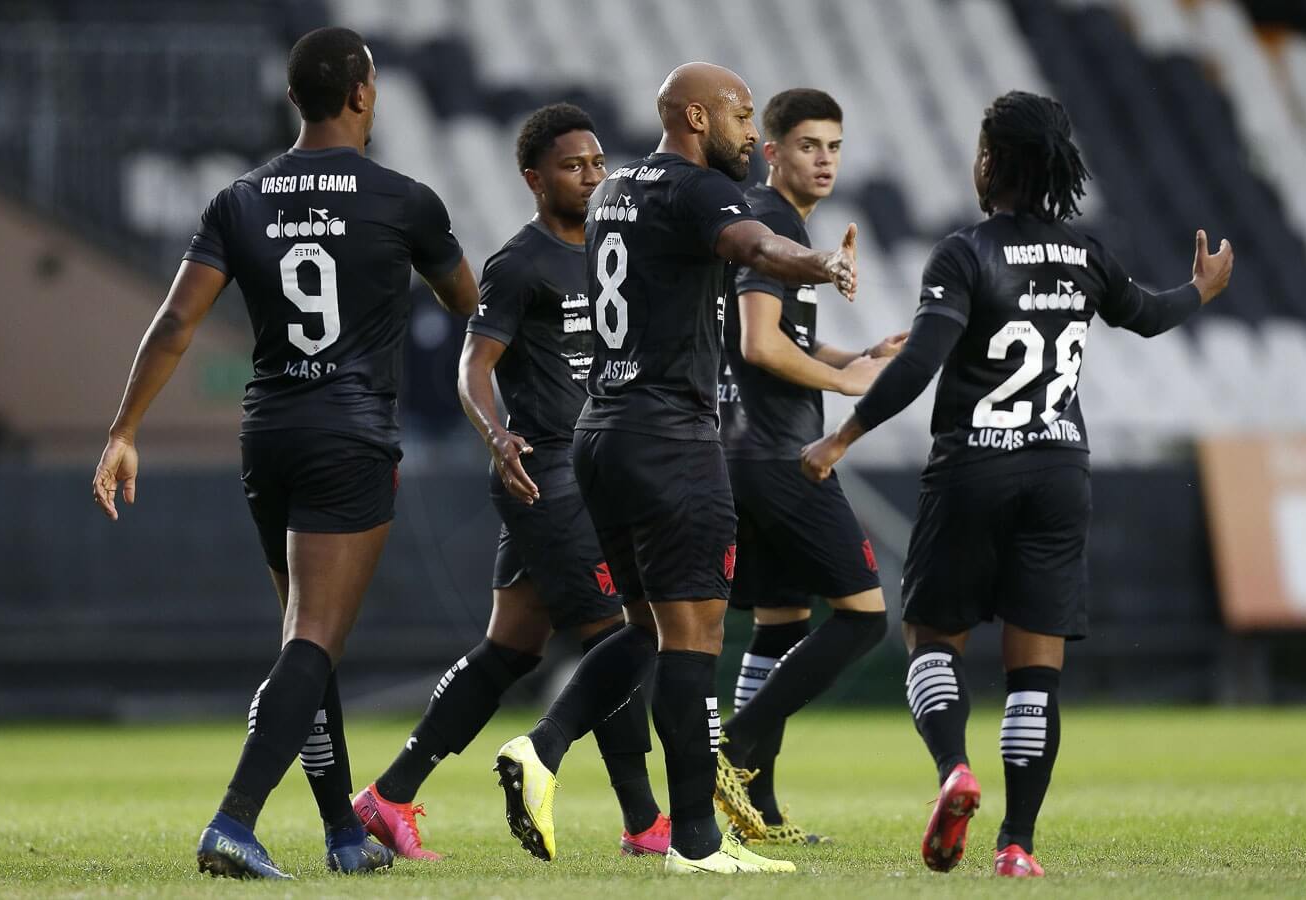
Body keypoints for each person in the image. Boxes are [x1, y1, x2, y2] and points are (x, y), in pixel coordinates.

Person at [800, 90, 1233, 878]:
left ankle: (954, 772)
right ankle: (1018, 845)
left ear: (990, 161)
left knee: (932, 638)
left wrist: (841, 437)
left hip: (973, 467)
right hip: (1061, 471)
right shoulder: (1085, 254)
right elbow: (1147, 313)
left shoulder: (964, 254)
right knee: (1035, 672)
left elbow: (921, 362)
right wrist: (1201, 289)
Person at [89, 27, 478, 879]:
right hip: (350, 432)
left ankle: (343, 835)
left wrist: (123, 431)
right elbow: (465, 297)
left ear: (295, 99)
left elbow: (175, 323)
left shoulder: (239, 198)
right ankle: (234, 820)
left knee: (309, 637)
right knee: (312, 640)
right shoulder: (403, 198)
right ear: (364, 94)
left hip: (268, 432)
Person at [493, 62, 857, 875]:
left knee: (647, 631)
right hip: (671, 437)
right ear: (696, 116)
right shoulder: (699, 191)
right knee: (693, 638)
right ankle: (695, 839)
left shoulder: (618, 186)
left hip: (602, 432)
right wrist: (817, 264)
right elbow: (751, 243)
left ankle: (542, 746)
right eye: (738, 114)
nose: (747, 129)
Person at [352, 103, 669, 860]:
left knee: (510, 651)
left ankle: (389, 795)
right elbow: (474, 366)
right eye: (572, 166)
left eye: (597, 164)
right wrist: (497, 438)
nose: (590, 178)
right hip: (547, 473)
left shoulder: (612, 251)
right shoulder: (520, 262)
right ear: (534, 178)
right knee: (618, 638)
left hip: (595, 470)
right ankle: (645, 823)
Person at [713, 88, 901, 846]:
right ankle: (728, 753)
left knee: (782, 623)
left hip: (738, 447)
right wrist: (847, 382)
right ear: (773, 151)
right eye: (808, 146)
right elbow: (760, 345)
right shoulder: (773, 228)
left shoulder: (760, 227)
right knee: (864, 618)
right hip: (777, 453)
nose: (824, 159)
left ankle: (757, 808)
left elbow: (771, 341)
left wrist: (858, 356)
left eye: (834, 147)